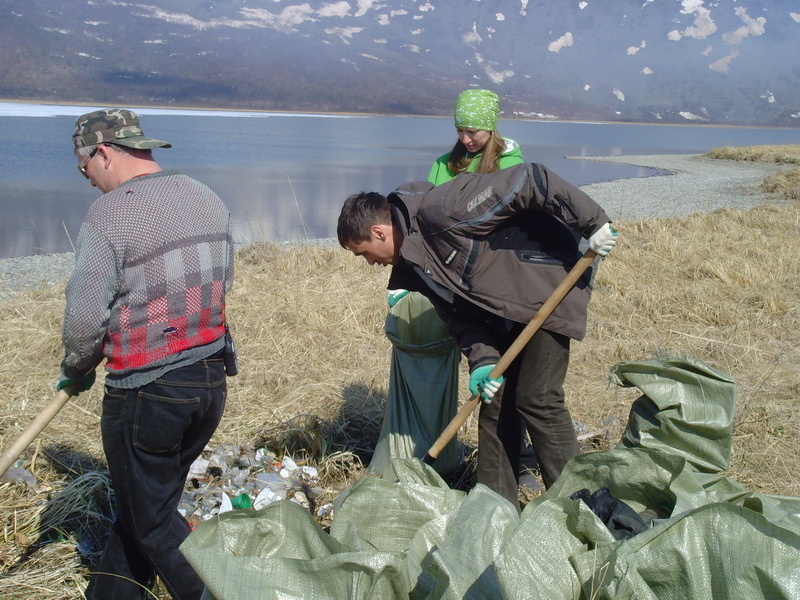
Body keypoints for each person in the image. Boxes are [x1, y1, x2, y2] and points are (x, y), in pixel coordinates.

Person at [337, 163, 617, 508]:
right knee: (495, 402)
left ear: (379, 232)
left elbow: (530, 179)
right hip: (501, 310)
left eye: (362, 252)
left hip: (546, 285)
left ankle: (582, 504)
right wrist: (484, 361)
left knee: (537, 397)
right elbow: (459, 317)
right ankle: (495, 508)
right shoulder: (414, 265)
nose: (368, 263)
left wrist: (593, 222)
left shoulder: (444, 209)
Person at [57, 108, 236, 599]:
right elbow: (224, 285)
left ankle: (217, 593)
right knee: (144, 507)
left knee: (154, 521)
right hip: (209, 381)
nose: (88, 181)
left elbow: (83, 320)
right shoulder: (206, 196)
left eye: (83, 167)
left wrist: (75, 366)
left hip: (149, 392)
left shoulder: (111, 213)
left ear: (104, 152)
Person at [372, 90, 525, 481]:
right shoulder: (445, 164)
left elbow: (516, 215)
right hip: (452, 276)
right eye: (460, 130)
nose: (466, 139)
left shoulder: (510, 161)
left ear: (491, 127)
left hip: (497, 277)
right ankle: (456, 454)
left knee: (515, 376)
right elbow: (425, 218)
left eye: (473, 131)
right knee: (478, 359)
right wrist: (411, 278)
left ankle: (518, 458)